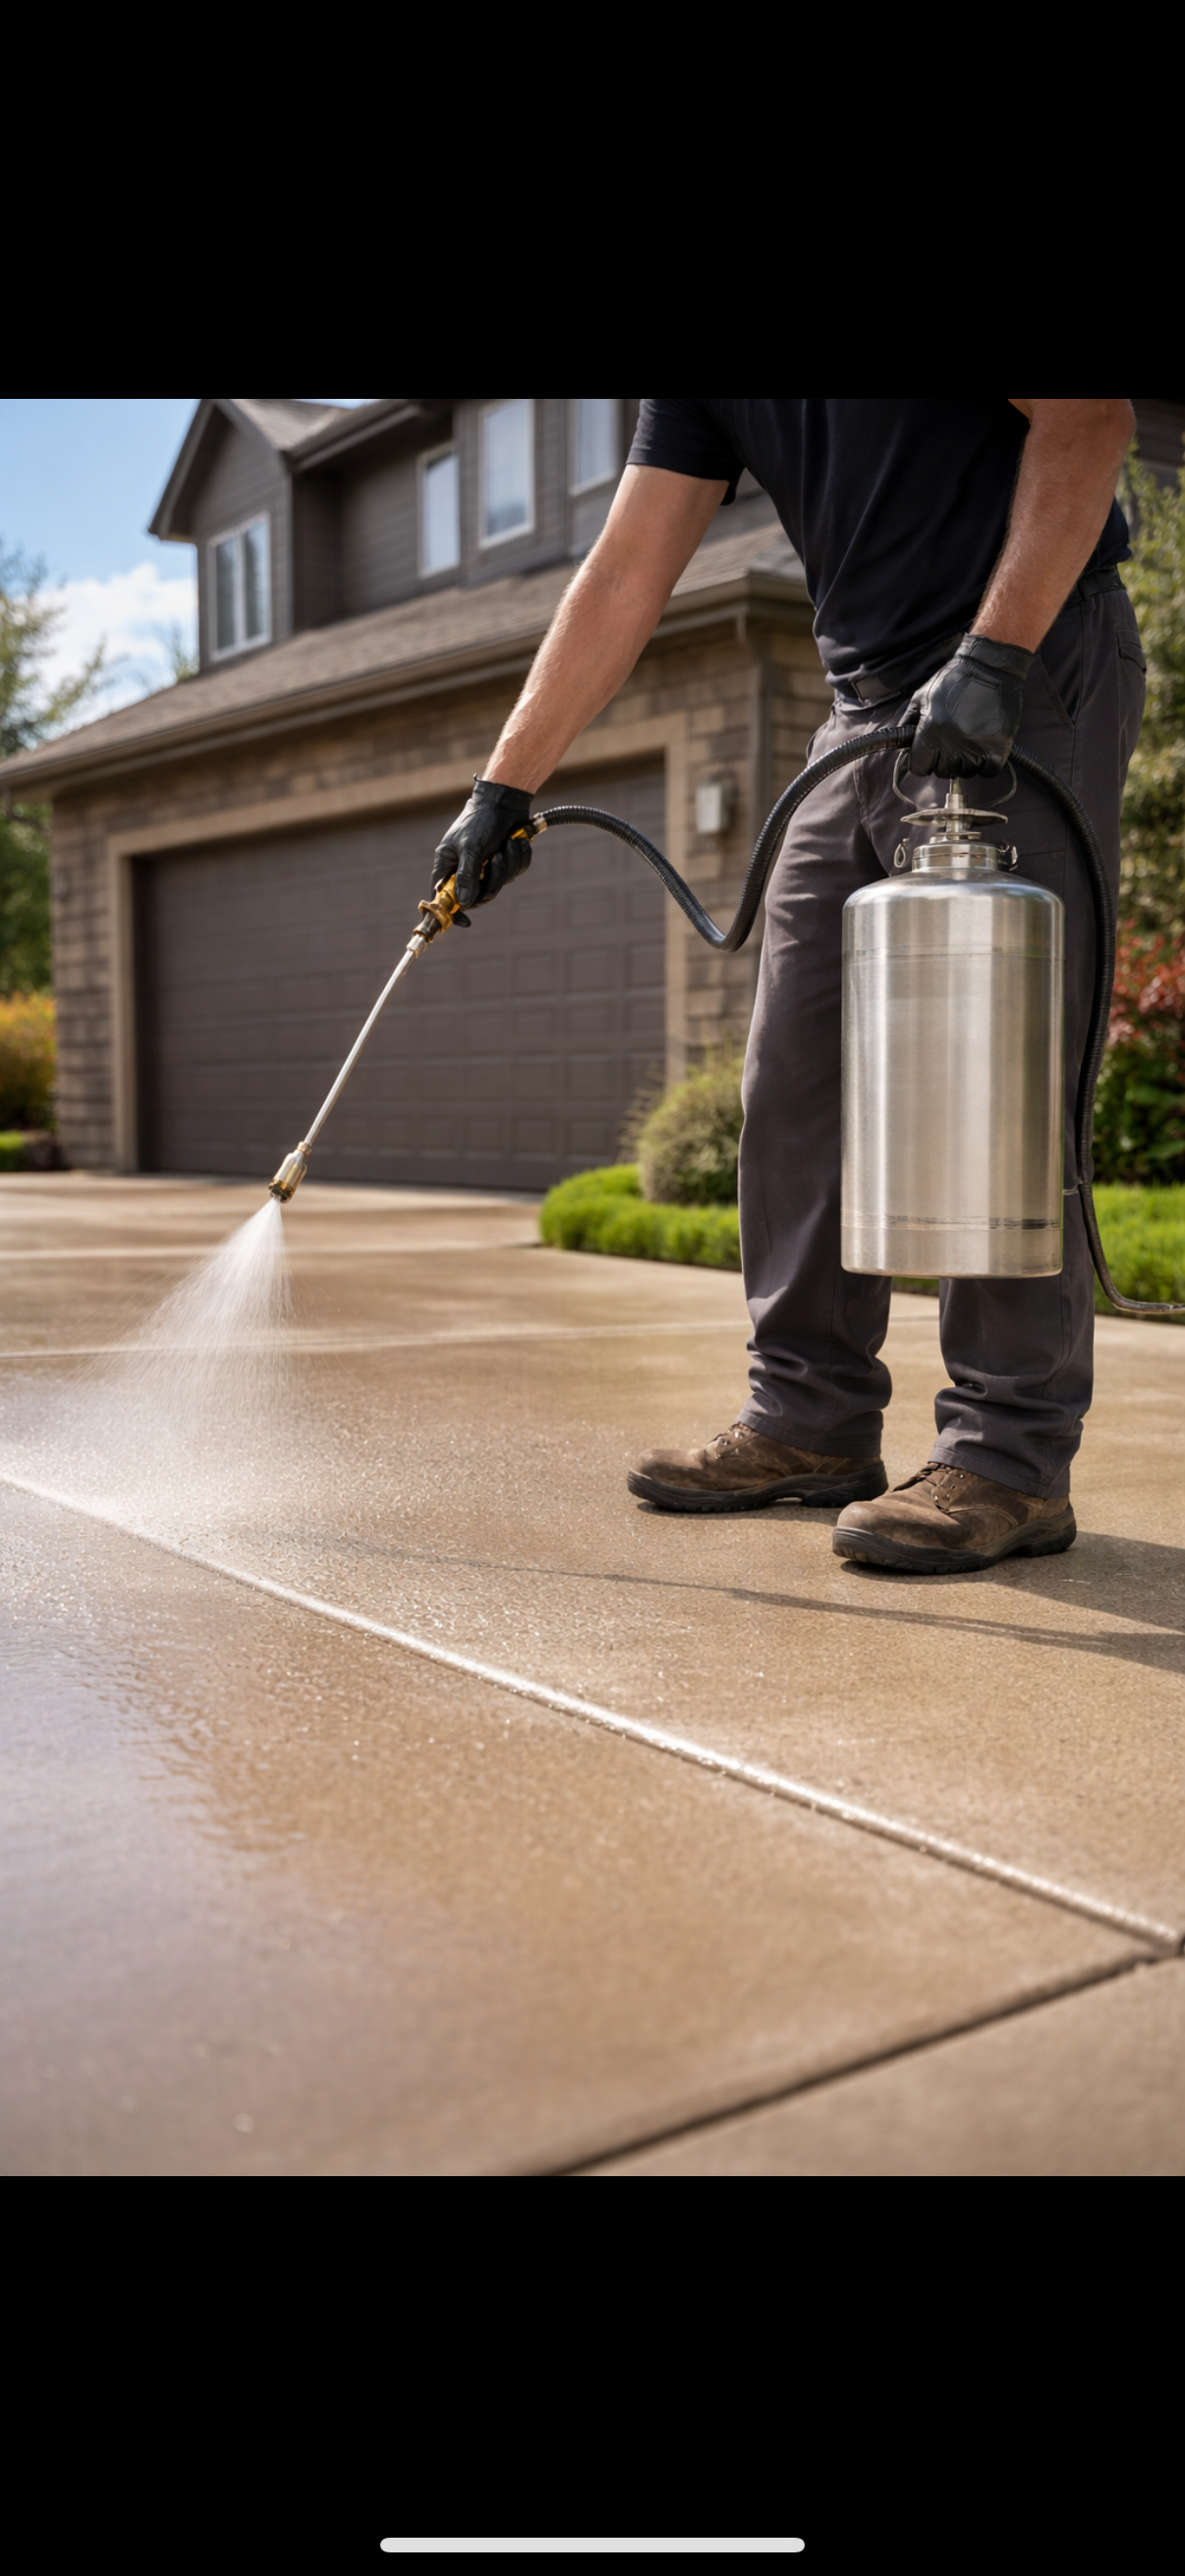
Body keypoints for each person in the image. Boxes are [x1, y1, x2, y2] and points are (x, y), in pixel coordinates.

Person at [431, 401, 1142, 1574]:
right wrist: (504, 786)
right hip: (863, 706)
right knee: (795, 1083)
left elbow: (1088, 418)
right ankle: (809, 1420)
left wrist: (998, 652)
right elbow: (622, 569)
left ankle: (1009, 1457)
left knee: (999, 1074)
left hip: (1031, 655)